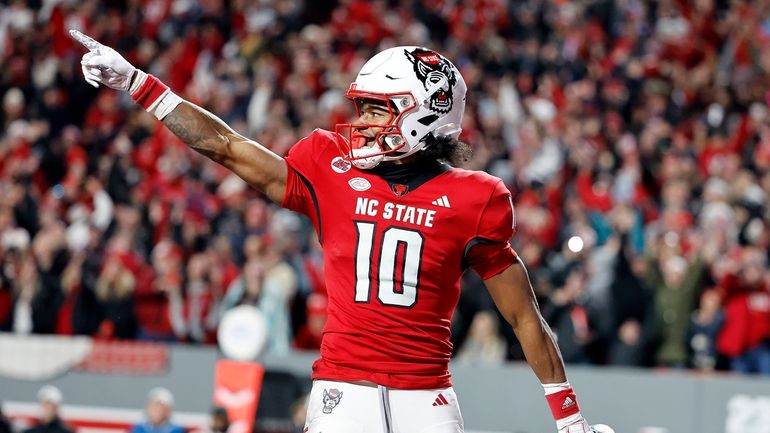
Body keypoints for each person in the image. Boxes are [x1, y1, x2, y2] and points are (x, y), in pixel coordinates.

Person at [70, 30, 613, 433]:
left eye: (379, 110)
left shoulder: (475, 198)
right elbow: (228, 146)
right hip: (341, 390)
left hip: (425, 398)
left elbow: (524, 316)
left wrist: (569, 419)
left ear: (428, 117)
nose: (362, 123)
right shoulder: (329, 167)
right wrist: (139, 85)